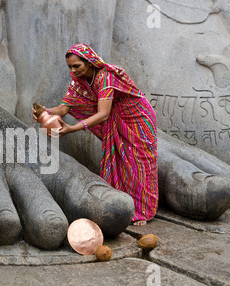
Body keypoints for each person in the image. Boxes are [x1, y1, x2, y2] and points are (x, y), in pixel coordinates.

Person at [33, 44, 158, 226]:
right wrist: (45, 112)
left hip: (137, 118)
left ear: (90, 62)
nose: (73, 70)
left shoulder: (105, 77)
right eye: (70, 67)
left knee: (139, 162)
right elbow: (63, 108)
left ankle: (143, 211)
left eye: (77, 66)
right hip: (116, 118)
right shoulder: (78, 84)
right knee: (121, 160)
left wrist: (74, 128)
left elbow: (103, 114)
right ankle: (125, 205)